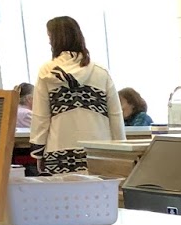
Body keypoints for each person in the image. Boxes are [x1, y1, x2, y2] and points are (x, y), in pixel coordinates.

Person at [30, 15, 124, 174]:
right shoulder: (101, 72)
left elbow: (41, 116)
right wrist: (120, 150)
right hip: (99, 152)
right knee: (100, 190)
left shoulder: (47, 72)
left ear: (55, 39)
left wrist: (38, 151)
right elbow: (115, 115)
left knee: (63, 191)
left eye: (49, 37)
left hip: (59, 150)